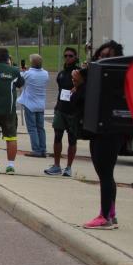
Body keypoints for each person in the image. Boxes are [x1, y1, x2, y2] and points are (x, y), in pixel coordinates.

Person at [84, 40, 125, 229]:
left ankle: (105, 216)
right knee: (105, 174)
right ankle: (111, 212)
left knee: (106, 174)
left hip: (109, 131)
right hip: (99, 130)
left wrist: (80, 85)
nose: (103, 59)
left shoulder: (114, 78)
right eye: (101, 55)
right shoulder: (97, 75)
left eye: (108, 56)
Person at [45, 47, 81, 176]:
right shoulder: (61, 74)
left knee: (72, 139)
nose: (67, 58)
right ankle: (56, 166)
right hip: (61, 109)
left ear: (75, 57)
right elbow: (60, 91)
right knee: (57, 137)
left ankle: (69, 168)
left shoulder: (79, 73)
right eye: (65, 56)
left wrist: (77, 88)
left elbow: (85, 89)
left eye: (70, 56)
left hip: (73, 111)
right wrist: (57, 107)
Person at [18, 54, 49, 158]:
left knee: (32, 128)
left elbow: (20, 78)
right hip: (40, 104)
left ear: (32, 63)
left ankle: (36, 150)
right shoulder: (45, 74)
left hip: (30, 104)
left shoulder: (28, 74)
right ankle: (43, 149)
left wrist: (23, 70)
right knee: (41, 128)